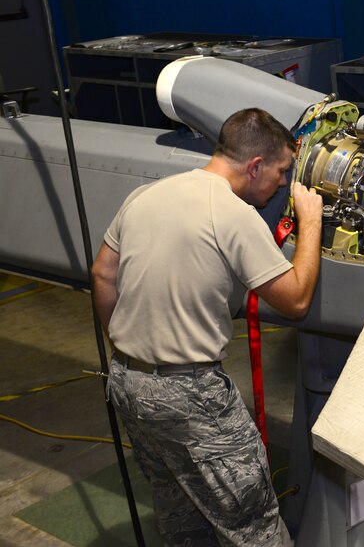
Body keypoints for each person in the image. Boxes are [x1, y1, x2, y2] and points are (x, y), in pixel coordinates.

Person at [91, 108, 323, 546]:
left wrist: (127, 350)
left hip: (126, 382)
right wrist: (310, 223)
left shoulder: (145, 195)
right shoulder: (234, 215)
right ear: (255, 166)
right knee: (253, 525)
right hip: (191, 395)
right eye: (279, 172)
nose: (280, 185)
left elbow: (103, 274)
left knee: (181, 515)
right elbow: (295, 300)